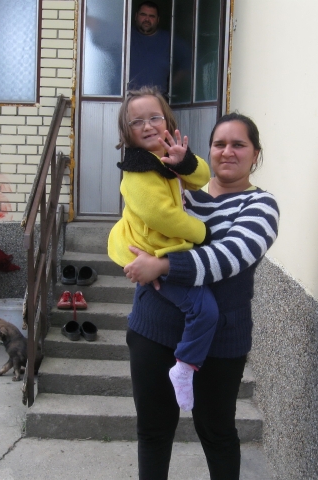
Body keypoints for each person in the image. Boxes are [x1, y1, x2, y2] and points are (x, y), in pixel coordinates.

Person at [122, 112, 280, 479]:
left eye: (238, 144)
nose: (227, 152)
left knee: (217, 432)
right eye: (219, 144)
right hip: (153, 328)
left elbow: (227, 258)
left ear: (255, 154)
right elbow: (143, 224)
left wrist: (162, 266)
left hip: (221, 340)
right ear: (208, 151)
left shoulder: (261, 206)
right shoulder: (182, 195)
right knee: (153, 431)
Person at [107, 86, 218, 411]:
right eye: (137, 121)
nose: (147, 126)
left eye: (154, 117)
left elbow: (202, 177)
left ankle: (185, 363)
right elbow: (162, 216)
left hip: (165, 249)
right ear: (126, 131)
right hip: (153, 251)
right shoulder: (137, 172)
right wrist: (202, 233)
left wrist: (185, 162)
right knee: (204, 309)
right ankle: (184, 367)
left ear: (168, 121)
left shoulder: (165, 158)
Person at [129, 2, 171, 97]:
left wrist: (169, 87)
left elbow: (187, 63)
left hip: (157, 99)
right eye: (143, 15)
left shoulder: (169, 40)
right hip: (127, 98)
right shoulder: (125, 35)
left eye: (152, 16)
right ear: (136, 16)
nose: (147, 19)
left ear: (158, 20)